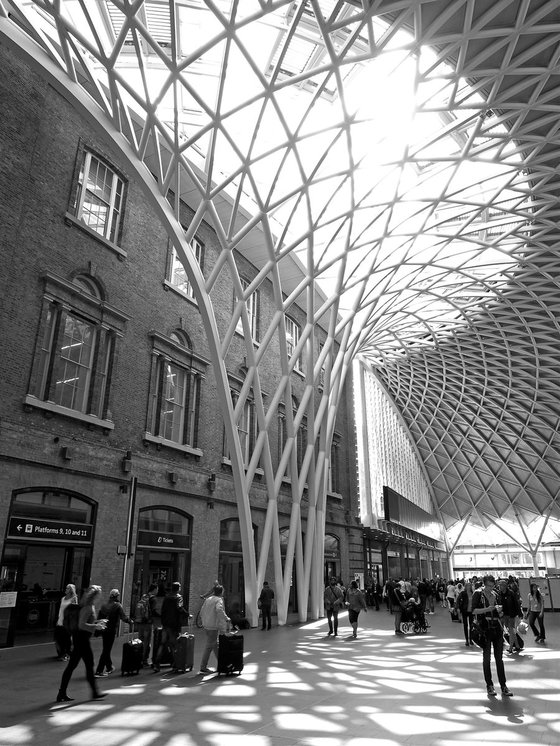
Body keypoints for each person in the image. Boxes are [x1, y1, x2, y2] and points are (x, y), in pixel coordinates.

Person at [56, 585, 108, 702]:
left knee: (74, 666)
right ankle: (94, 693)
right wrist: (97, 626)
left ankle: (62, 693)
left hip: (81, 639)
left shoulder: (88, 606)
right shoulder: (88, 607)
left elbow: (86, 621)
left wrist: (98, 622)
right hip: (82, 640)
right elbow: (81, 625)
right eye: (99, 594)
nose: (100, 596)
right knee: (87, 665)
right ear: (95, 596)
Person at [472, 575, 513, 697]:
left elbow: (500, 612)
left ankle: (503, 686)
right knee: (486, 659)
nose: (491, 588)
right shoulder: (478, 594)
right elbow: (473, 611)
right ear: (484, 584)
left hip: (497, 628)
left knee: (499, 659)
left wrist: (500, 611)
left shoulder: (496, 594)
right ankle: (489, 685)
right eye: (488, 586)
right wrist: (487, 609)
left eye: (492, 585)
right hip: (485, 629)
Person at [152, 581, 189, 673]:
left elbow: (163, 610)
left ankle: (156, 663)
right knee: (175, 644)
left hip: (166, 624)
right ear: (178, 588)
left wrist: (163, 622)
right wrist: (187, 615)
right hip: (174, 624)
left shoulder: (167, 597)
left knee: (162, 643)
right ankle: (175, 664)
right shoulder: (179, 597)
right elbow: (179, 608)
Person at [95, 588, 133, 676]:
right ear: (117, 596)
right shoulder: (117, 606)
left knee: (106, 648)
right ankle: (99, 670)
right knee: (106, 650)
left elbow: (99, 617)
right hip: (111, 630)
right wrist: (130, 621)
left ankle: (109, 667)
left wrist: (97, 628)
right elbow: (123, 617)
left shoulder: (104, 605)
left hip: (104, 629)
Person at [199, 584, 230, 673]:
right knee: (209, 646)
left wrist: (204, 621)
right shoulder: (219, 600)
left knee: (215, 645)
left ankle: (222, 663)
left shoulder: (208, 599)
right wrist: (226, 618)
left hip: (207, 625)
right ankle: (203, 666)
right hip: (213, 626)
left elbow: (202, 611)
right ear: (221, 592)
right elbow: (219, 609)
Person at [497, 578, 522, 653]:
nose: (499, 587)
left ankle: (511, 647)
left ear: (504, 586)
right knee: (511, 631)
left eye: (501, 586)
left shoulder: (511, 593)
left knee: (511, 630)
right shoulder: (499, 594)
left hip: (511, 615)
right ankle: (517, 646)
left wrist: (520, 613)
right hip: (504, 615)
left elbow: (516, 604)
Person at [134, 583, 157, 666]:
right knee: (147, 642)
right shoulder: (153, 599)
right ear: (154, 589)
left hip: (140, 622)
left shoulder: (144, 596)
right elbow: (154, 611)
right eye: (156, 589)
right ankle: (144, 660)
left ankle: (138, 658)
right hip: (147, 623)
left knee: (140, 640)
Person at [54, 583, 78, 661]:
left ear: (71, 590)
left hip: (67, 622)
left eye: (67, 588)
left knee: (66, 639)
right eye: (66, 588)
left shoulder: (73, 599)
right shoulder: (63, 598)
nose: (66, 589)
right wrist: (58, 620)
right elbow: (60, 610)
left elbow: (75, 612)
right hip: (60, 620)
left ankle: (67, 654)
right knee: (58, 638)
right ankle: (61, 653)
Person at [456, 580, 474, 646]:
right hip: (465, 610)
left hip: (471, 611)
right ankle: (467, 640)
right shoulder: (463, 593)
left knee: (471, 625)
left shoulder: (473, 593)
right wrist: (457, 608)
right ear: (465, 587)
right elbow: (458, 600)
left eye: (470, 586)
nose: (469, 587)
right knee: (465, 625)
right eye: (467, 586)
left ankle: (471, 639)